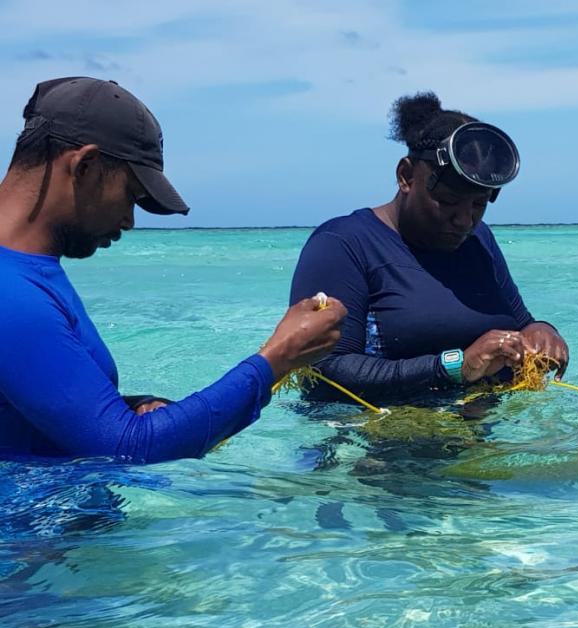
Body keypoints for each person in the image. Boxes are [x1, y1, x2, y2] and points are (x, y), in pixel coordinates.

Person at [0, 77, 347, 464]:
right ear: (85, 166)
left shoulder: (27, 273)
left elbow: (36, 416)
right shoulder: (12, 293)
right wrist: (277, 358)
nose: (130, 220)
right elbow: (127, 447)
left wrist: (132, 407)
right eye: (131, 195)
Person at [289, 92, 568, 405]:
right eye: (447, 202)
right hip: (374, 443)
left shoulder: (478, 239)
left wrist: (542, 332)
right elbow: (323, 372)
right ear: (406, 176)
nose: (464, 219)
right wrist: (454, 366)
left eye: (479, 204)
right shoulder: (344, 244)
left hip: (476, 429)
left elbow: (519, 322)